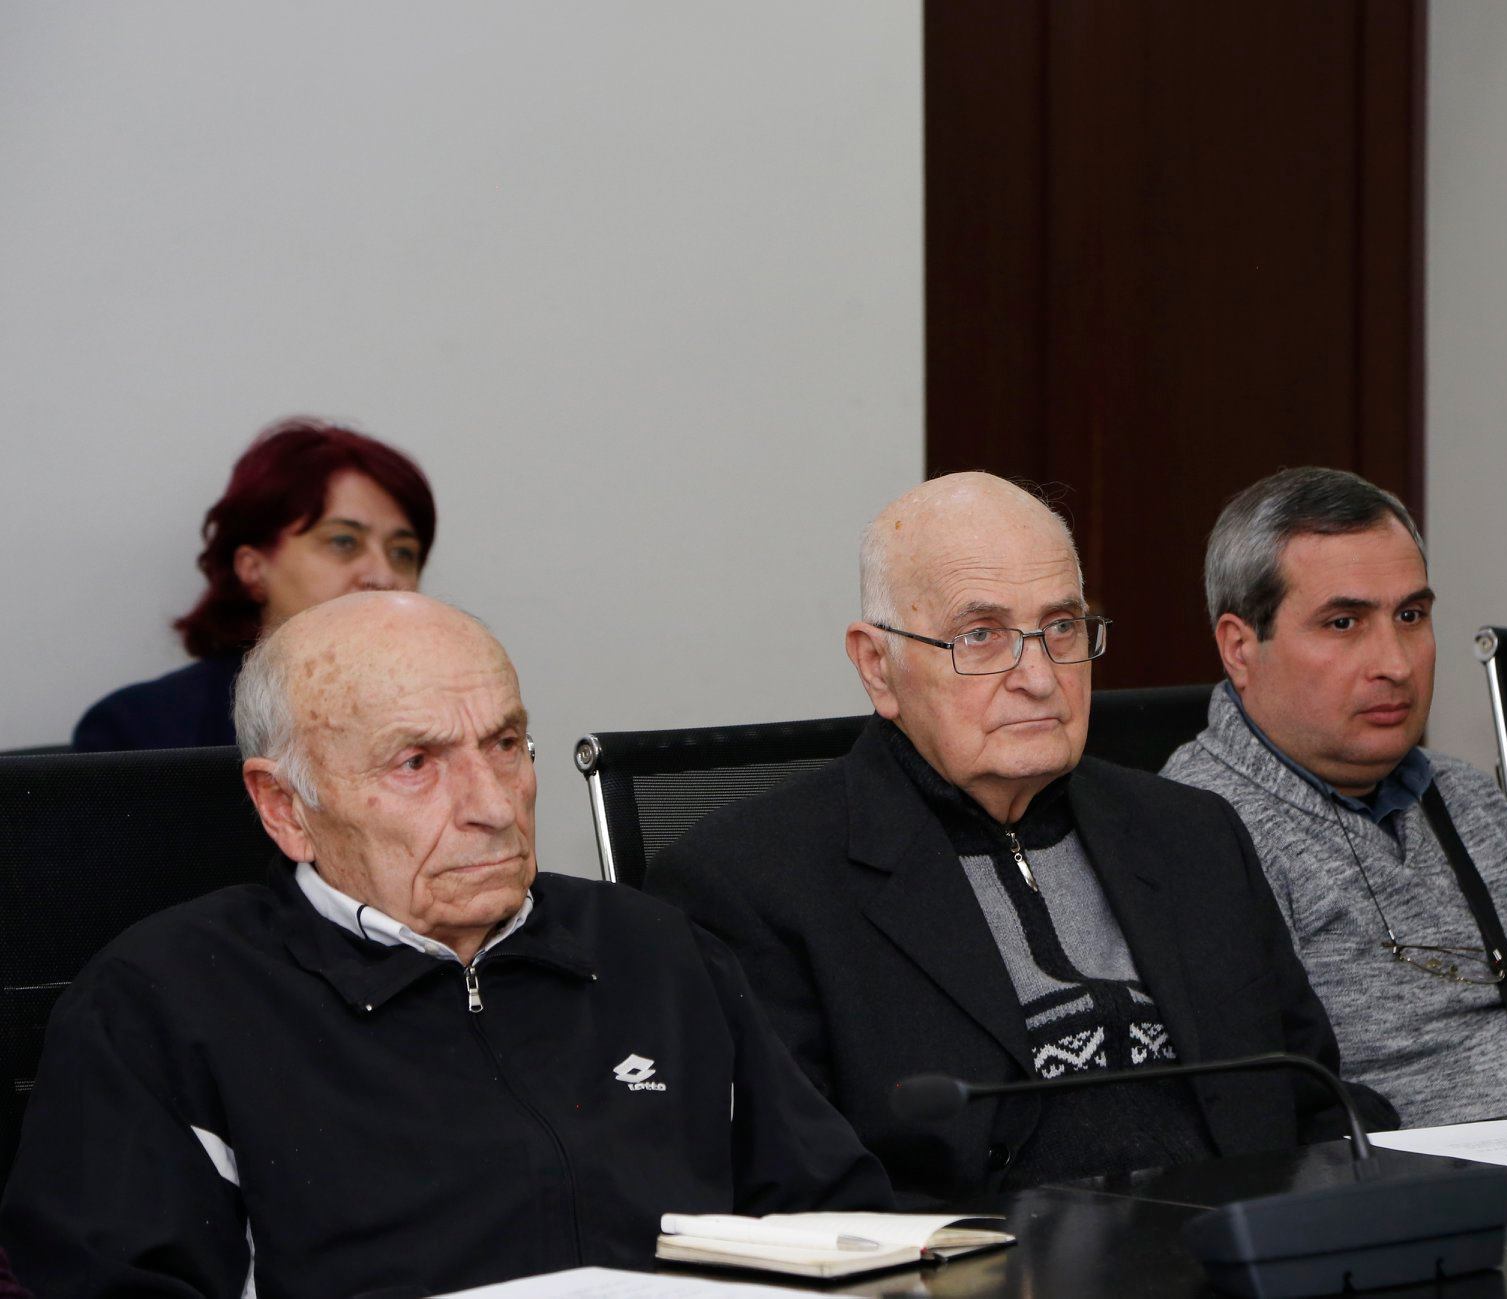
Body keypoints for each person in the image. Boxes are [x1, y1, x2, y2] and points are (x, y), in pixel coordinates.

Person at [3, 592, 888, 1297]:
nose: (494, 805)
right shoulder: (164, 1002)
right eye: (416, 763)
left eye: (505, 744)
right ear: (285, 807)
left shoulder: (653, 950)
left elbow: (837, 1224)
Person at [650, 472, 1389, 1205]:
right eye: (981, 635)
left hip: (1243, 1246)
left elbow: (1315, 1106)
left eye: (1062, 627)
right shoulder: (752, 882)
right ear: (878, 666)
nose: (1038, 676)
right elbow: (799, 1196)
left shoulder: (1193, 833)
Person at [1161, 467, 1507, 1126]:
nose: (1396, 664)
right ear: (1239, 648)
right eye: (1344, 622)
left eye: (1411, 616)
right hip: (1416, 1184)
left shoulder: (1463, 796)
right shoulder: (1197, 831)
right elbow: (1275, 1123)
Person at [71, 416, 435, 751]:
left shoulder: (452, 713)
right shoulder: (140, 731)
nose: (383, 576)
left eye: (403, 553)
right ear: (253, 568)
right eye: (343, 541)